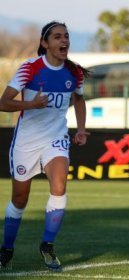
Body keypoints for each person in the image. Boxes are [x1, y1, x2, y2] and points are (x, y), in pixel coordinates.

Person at [0, 21, 90, 271]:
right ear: (45, 43)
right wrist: (30, 105)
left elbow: (79, 99)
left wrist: (81, 128)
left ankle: (47, 246)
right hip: (26, 142)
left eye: (67, 36)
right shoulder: (30, 68)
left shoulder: (75, 72)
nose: (64, 41)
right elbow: (3, 103)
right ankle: (6, 248)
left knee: (59, 187)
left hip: (56, 138)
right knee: (20, 199)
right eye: (58, 36)